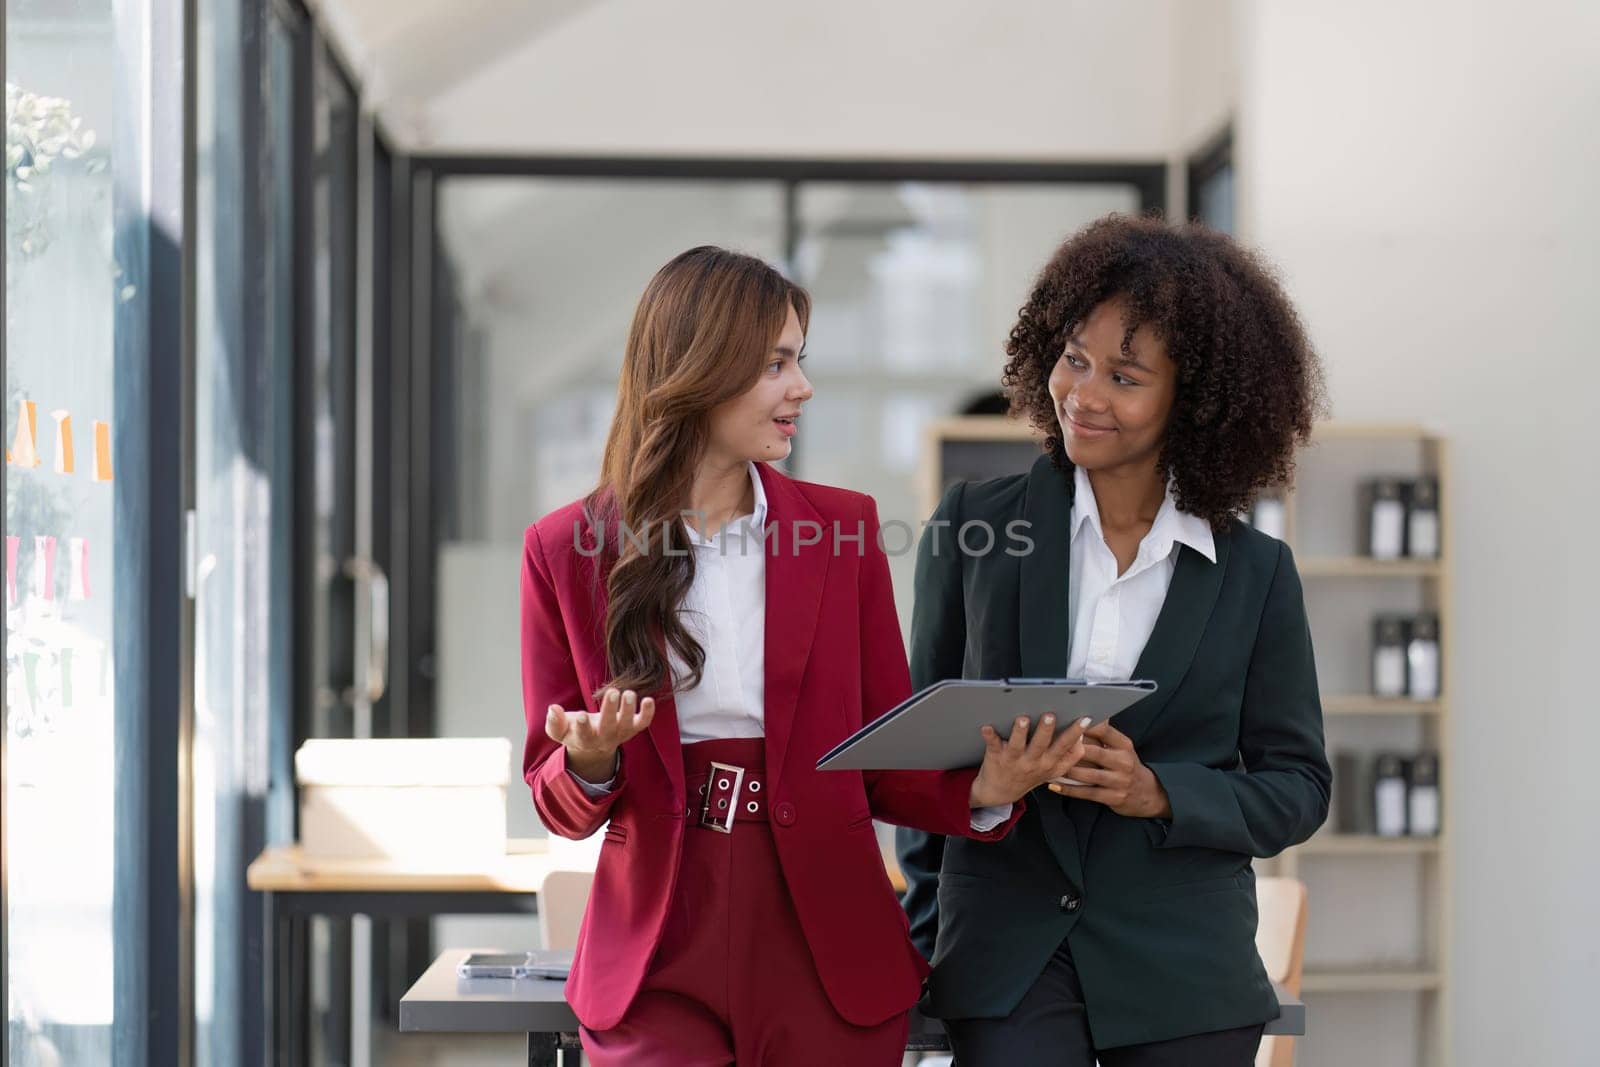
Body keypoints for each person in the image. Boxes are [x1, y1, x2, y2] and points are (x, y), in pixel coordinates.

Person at [520, 246, 1090, 1066]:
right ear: (698, 369)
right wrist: (593, 759)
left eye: (801, 361)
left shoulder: (844, 530)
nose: (803, 387)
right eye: (776, 364)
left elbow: (885, 749)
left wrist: (984, 788)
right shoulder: (566, 549)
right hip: (656, 945)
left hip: (826, 936)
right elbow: (555, 793)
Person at [896, 215, 1334, 1066]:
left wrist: (1159, 791)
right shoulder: (974, 529)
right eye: (1075, 358)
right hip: (1005, 961)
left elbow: (1299, 786)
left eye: (1125, 376)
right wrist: (932, 935)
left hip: (1185, 967)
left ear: (1196, 401)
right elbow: (918, 752)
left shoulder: (1255, 572)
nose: (1084, 394)